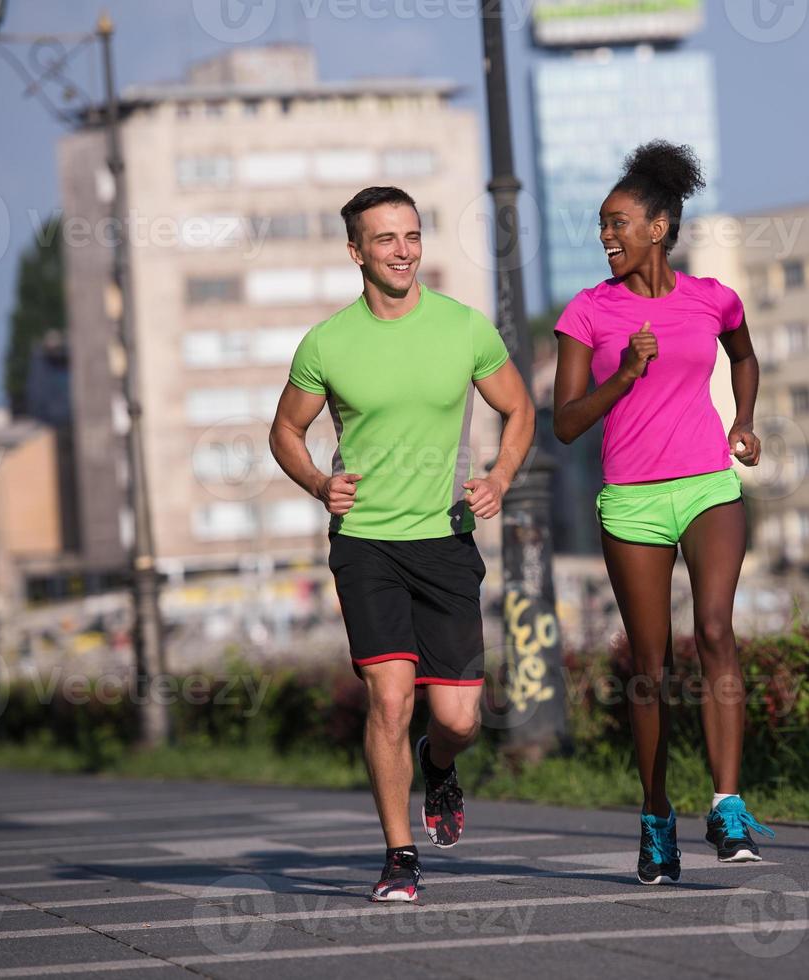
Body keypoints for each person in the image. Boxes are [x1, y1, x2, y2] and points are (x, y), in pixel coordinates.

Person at [271, 186, 534, 902]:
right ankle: (398, 854)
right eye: (385, 239)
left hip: (445, 540)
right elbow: (284, 432)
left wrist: (501, 476)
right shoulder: (327, 343)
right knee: (388, 700)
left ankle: (438, 764)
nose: (402, 250)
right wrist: (319, 487)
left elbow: (517, 408)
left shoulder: (463, 328)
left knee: (455, 718)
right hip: (366, 544)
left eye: (411, 235)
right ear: (356, 251)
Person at [551, 141, 772, 885]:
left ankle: (727, 802)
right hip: (631, 500)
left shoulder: (711, 298)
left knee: (714, 628)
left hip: (708, 483)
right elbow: (567, 422)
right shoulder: (588, 311)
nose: (606, 236)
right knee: (650, 667)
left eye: (618, 223)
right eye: (601, 226)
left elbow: (742, 354)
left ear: (660, 225)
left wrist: (743, 419)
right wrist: (627, 373)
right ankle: (654, 816)